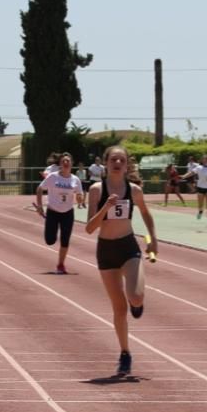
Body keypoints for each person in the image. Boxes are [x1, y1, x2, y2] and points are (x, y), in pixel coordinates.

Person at [85, 146, 158, 377]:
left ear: (127, 165)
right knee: (119, 308)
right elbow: (89, 228)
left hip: (128, 247)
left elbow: (146, 213)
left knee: (135, 296)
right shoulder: (97, 190)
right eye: (113, 159)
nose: (117, 163)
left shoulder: (134, 190)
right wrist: (105, 208)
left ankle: (138, 303)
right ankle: (125, 353)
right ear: (106, 163)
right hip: (106, 250)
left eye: (121, 160)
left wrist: (152, 239)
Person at [35, 153, 85, 274]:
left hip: (68, 213)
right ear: (60, 165)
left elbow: (80, 194)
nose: (66, 163)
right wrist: (40, 206)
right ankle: (52, 232)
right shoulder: (53, 177)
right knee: (50, 240)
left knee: (65, 240)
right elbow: (40, 189)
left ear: (71, 164)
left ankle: (61, 264)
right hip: (53, 211)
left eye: (68, 161)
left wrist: (80, 198)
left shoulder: (75, 179)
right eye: (63, 161)